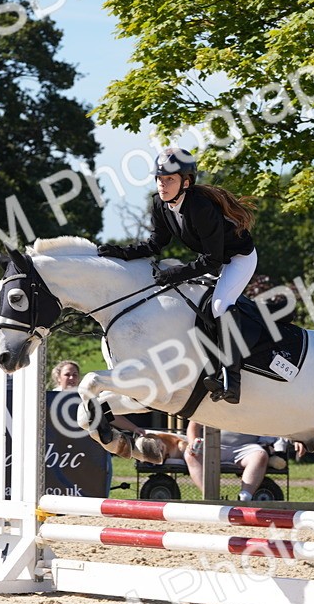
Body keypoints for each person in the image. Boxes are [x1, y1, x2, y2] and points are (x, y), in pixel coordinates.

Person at [98, 146, 257, 404]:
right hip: (212, 259)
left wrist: (175, 274)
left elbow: (213, 259)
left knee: (219, 305)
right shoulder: (159, 204)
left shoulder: (201, 207)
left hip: (238, 258)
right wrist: (119, 253)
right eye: (160, 179)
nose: (163, 185)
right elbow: (154, 245)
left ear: (186, 182)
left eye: (169, 179)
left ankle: (232, 378)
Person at [184, 422, 269, 502]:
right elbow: (194, 425)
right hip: (211, 444)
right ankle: (210, 496)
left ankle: (244, 498)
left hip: (246, 447)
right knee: (191, 455)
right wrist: (192, 442)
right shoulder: (210, 406)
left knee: (260, 455)